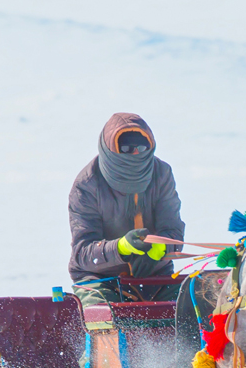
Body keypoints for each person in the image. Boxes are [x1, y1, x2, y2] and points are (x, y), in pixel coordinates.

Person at [68, 112, 185, 309]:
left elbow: (173, 230)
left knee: (192, 308)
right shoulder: (87, 184)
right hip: (100, 280)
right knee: (105, 316)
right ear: (111, 150)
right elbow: (82, 253)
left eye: (142, 148)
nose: (136, 154)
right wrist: (120, 248)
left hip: (156, 278)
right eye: (127, 148)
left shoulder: (161, 173)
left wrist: (162, 248)